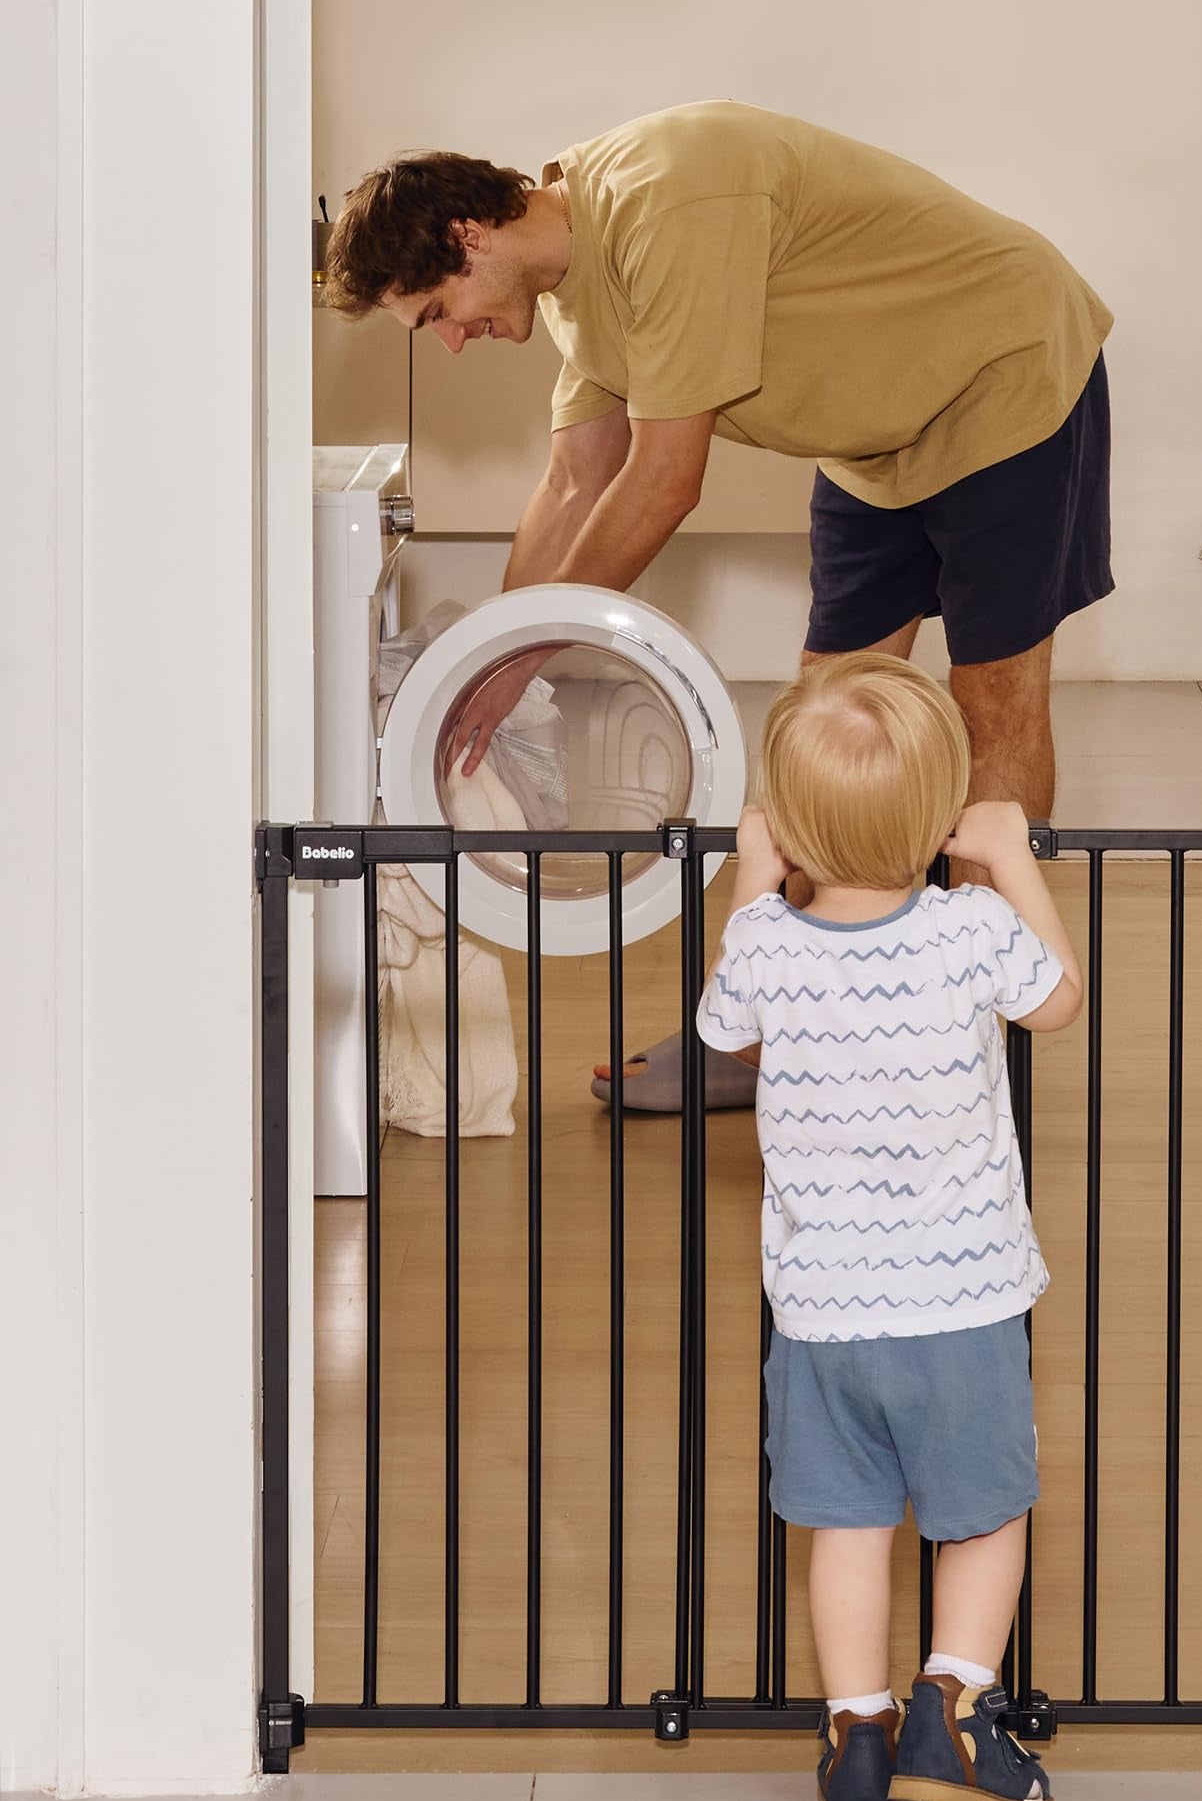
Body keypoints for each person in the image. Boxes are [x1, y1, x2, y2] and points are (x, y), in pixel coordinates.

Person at [324, 100, 1112, 1107]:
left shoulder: (667, 194)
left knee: (991, 702)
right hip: (874, 446)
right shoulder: (574, 299)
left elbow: (662, 483)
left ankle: (977, 1037)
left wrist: (519, 661)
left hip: (1004, 378)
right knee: (820, 730)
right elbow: (571, 486)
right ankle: (775, 1034)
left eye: (434, 311)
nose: (450, 342)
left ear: (466, 238)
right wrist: (486, 660)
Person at [693, 653, 1084, 1801]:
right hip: (963, 1303)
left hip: (822, 1313)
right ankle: (952, 1715)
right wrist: (1010, 858)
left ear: (790, 824)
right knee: (982, 1512)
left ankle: (857, 1743)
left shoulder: (766, 946)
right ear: (940, 817)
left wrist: (752, 883)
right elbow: (1057, 998)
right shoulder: (970, 932)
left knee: (848, 1523)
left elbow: (724, 1028)